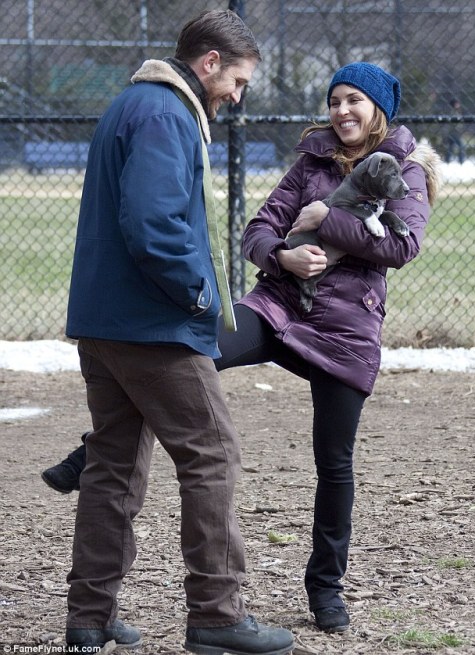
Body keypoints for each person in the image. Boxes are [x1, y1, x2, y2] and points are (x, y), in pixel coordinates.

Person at [44, 61, 441, 635]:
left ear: (378, 108)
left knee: (334, 464)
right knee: (187, 357)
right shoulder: (311, 160)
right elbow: (258, 229)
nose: (341, 111)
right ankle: (98, 449)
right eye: (334, 100)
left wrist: (326, 220)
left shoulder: (406, 169)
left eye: (354, 100)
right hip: (278, 308)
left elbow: (402, 247)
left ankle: (325, 588)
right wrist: (281, 256)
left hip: (346, 330)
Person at [57, 9, 294, 655]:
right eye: (237, 81)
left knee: (112, 466)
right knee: (212, 454)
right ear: (209, 62)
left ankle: (89, 616)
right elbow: (156, 226)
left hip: (105, 322)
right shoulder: (165, 112)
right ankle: (217, 613)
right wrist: (199, 295)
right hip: (153, 325)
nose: (237, 97)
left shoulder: (132, 103)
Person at [444, 98, 465, 164]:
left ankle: (447, 160)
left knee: (451, 147)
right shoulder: (453, 112)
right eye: (457, 103)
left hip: (454, 133)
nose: (459, 105)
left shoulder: (456, 111)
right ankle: (461, 160)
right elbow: (456, 124)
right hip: (454, 133)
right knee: (461, 146)